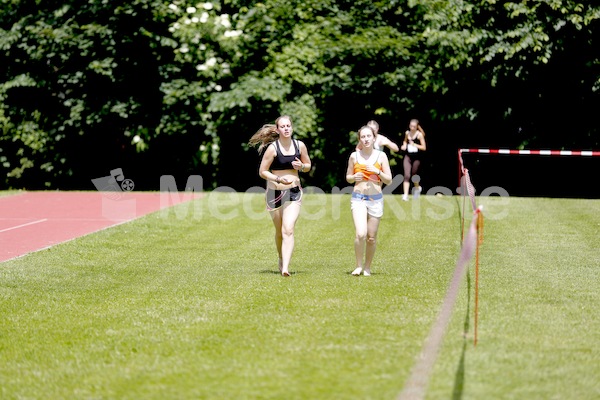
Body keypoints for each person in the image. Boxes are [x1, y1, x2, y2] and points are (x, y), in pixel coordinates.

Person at [248, 115, 311, 277]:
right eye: (283, 126)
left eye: (288, 125)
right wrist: (277, 179)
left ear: (292, 127)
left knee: (288, 229)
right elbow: (262, 172)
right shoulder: (273, 148)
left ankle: (286, 268)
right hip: (274, 193)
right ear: (277, 129)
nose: (286, 128)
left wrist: (302, 166)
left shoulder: (300, 145)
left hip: (294, 191)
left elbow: (308, 166)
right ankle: (281, 257)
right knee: (279, 231)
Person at [345, 125, 392, 276]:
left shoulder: (381, 156)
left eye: (368, 136)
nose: (366, 139)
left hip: (376, 199)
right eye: (363, 137)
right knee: (360, 233)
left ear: (373, 138)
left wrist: (377, 171)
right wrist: (354, 178)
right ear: (359, 139)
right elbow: (348, 177)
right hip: (358, 198)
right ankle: (358, 266)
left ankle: (367, 267)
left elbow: (389, 180)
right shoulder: (354, 156)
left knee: (371, 238)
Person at [400, 119, 427, 201]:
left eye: (414, 127)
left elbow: (424, 147)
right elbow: (405, 142)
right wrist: (404, 146)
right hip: (408, 156)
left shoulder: (419, 135)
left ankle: (417, 188)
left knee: (414, 175)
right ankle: (405, 195)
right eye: (411, 126)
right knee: (407, 175)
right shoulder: (407, 133)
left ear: (417, 127)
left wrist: (415, 144)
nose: (412, 128)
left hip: (416, 157)